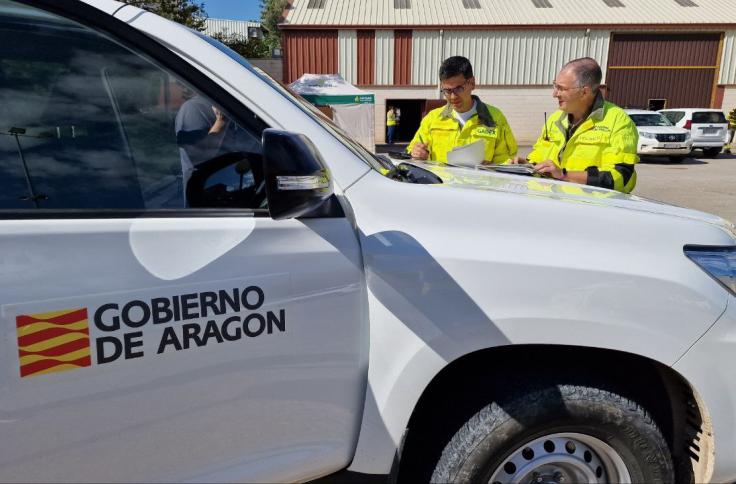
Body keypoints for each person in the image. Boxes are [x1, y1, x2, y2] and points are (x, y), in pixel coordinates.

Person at [512, 57, 639, 193]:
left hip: (592, 209)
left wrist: (564, 175)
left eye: (561, 88)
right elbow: (540, 157)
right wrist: (528, 166)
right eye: (555, 86)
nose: (555, 94)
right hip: (554, 203)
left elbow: (620, 177)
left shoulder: (619, 121)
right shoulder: (556, 118)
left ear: (584, 92)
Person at [408, 56, 517, 164]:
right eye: (447, 90)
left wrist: (493, 167)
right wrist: (416, 153)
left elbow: (506, 160)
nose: (453, 97)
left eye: (459, 88)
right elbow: (412, 151)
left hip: (479, 181)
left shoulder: (495, 118)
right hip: (442, 181)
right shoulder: (432, 119)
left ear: (472, 83)